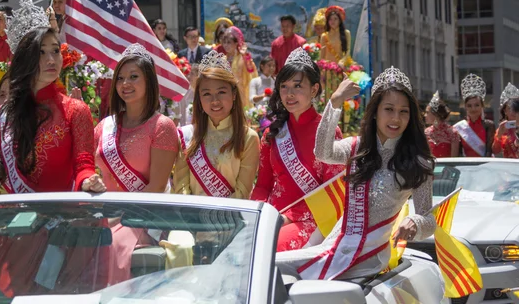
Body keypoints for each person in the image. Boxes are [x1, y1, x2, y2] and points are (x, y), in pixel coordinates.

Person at [276, 67, 436, 280]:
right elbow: (323, 152)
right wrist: (334, 102)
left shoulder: (418, 162)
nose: (396, 118)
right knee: (273, 266)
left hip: (369, 255)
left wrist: (415, 222)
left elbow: (429, 219)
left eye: (403, 111)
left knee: (281, 269)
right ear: (376, 112)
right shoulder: (357, 148)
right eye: (389, 109)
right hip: (336, 245)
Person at [0, 0, 105, 194]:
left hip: (64, 219)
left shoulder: (76, 110)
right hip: (22, 221)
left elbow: (83, 165)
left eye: (55, 50)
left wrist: (88, 181)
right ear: (26, 59)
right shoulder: (6, 114)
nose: (52, 59)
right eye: (41, 52)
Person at [94, 43, 179, 283]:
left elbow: (156, 188)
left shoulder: (161, 126)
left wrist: (117, 218)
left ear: (149, 81)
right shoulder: (104, 126)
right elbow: (90, 171)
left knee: (114, 245)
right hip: (104, 214)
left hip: (143, 217)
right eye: (120, 78)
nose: (125, 84)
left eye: (133, 77)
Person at [251, 48, 344, 252]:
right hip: (273, 217)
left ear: (314, 89)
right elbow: (263, 185)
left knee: (266, 250)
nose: (289, 94)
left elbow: (333, 193)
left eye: (297, 86)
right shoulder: (272, 133)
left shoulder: (328, 131)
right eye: (284, 86)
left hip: (314, 219)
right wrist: (257, 215)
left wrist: (287, 217)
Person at [173, 51, 260, 199]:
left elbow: (242, 192)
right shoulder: (186, 136)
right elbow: (181, 186)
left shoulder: (248, 138)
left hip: (230, 218)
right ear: (199, 98)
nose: (215, 101)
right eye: (206, 94)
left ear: (233, 95)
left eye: (221, 92)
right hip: (192, 217)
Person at [454, 74, 495, 157]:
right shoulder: (460, 127)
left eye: (477, 105)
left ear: (482, 106)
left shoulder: (489, 125)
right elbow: (459, 153)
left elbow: (489, 151)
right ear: (465, 107)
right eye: (469, 106)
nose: (473, 109)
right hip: (467, 166)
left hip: (485, 165)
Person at [221, 26, 258, 108]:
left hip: (241, 95)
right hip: (225, 95)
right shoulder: (222, 59)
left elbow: (251, 72)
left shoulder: (242, 57)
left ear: (236, 43)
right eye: (224, 42)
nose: (226, 45)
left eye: (229, 42)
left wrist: (245, 57)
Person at [424, 90, 460, 158]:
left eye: (427, 112)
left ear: (436, 115)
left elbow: (454, 160)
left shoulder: (452, 133)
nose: (425, 115)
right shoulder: (426, 132)